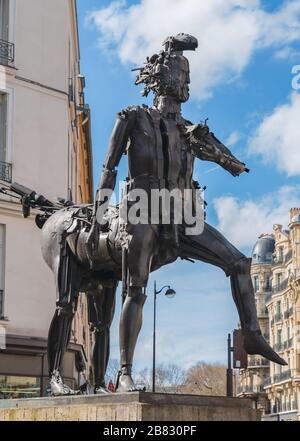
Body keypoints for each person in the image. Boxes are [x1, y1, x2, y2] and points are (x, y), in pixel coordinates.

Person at [87, 33, 286, 392]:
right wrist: (99, 213)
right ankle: (126, 371)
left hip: (182, 213)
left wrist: (232, 163)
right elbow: (110, 168)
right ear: (160, 76)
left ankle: (253, 336)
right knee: (136, 288)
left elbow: (219, 152)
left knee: (239, 263)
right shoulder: (134, 117)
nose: (185, 81)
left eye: (187, 75)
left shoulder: (190, 129)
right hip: (142, 207)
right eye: (179, 73)